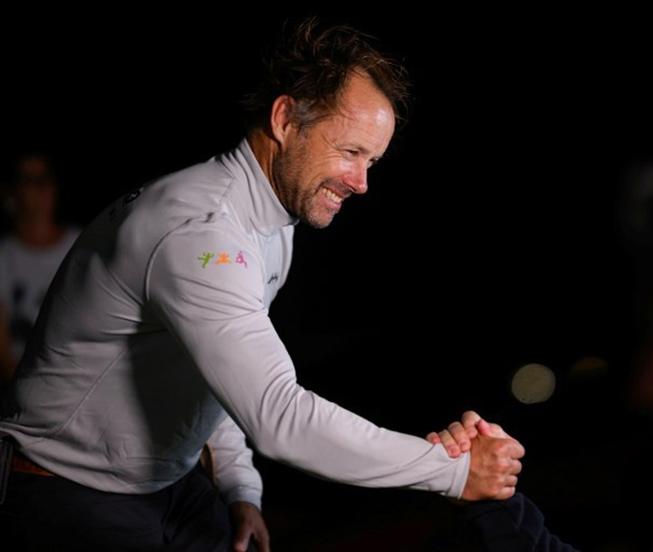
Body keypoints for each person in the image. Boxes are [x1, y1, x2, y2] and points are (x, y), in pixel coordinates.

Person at [0, 18, 525, 551]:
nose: (362, 183)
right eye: (350, 152)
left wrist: (237, 485)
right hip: (64, 491)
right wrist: (451, 471)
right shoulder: (202, 234)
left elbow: (214, 372)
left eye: (372, 161)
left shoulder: (271, 224)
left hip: (165, 485)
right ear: (284, 120)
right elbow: (279, 414)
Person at [0, 153, 80, 385]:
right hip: (21, 387)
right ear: (12, 191)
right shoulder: (5, 254)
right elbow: (3, 350)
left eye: (46, 178)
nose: (42, 188)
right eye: (31, 180)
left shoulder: (78, 244)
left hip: (74, 381)